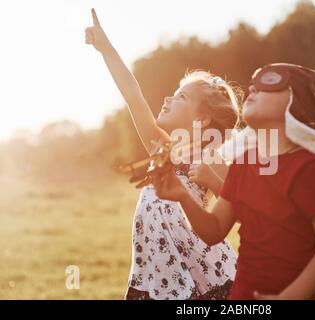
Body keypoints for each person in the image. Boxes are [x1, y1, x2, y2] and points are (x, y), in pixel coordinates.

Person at [152, 63, 315, 300]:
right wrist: (182, 195)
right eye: (253, 85)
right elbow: (214, 231)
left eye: (269, 84)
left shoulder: (307, 168)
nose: (253, 89)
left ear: (297, 105)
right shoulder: (243, 163)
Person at [85, 9, 240, 300]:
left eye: (181, 97)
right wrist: (105, 49)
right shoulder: (161, 149)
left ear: (203, 120)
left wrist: (214, 180)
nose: (168, 98)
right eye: (173, 92)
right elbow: (133, 96)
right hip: (157, 278)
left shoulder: (212, 158)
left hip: (203, 275)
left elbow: (241, 210)